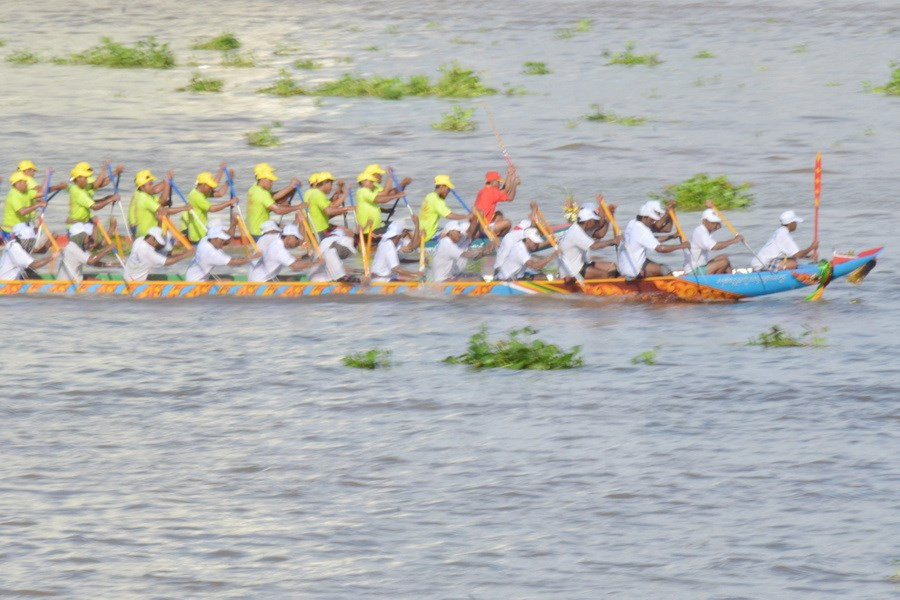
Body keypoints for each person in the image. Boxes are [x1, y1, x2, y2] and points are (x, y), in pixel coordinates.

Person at [618, 202, 690, 278]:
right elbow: (660, 249)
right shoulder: (643, 230)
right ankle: (673, 286)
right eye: (652, 220)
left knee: (658, 266)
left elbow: (665, 230)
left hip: (627, 264)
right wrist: (682, 246)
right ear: (645, 217)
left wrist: (672, 235)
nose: (654, 222)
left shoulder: (632, 223)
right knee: (665, 269)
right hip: (633, 269)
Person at [557, 203, 622, 279]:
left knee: (612, 267)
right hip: (572, 270)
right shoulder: (576, 232)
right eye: (595, 221)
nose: (596, 224)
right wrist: (613, 241)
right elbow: (594, 246)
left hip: (582, 264)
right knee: (606, 274)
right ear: (588, 222)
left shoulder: (584, 227)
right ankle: (609, 288)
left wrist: (609, 216)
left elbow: (600, 234)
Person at [179, 168, 237, 243]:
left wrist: (228, 180)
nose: (211, 189)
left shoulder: (202, 192)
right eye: (210, 186)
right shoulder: (196, 196)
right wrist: (229, 203)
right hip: (196, 233)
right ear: (202, 184)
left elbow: (220, 193)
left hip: (201, 229)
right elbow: (212, 209)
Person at [184, 222, 258, 281]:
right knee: (228, 281)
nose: (223, 242)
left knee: (226, 279)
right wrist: (253, 257)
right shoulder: (211, 253)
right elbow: (234, 264)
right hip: (195, 283)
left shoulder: (205, 240)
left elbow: (228, 240)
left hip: (191, 276)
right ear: (214, 238)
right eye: (222, 240)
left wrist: (234, 223)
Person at [127, 169, 190, 238]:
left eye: (152, 183)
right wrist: (184, 208)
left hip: (144, 229)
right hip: (141, 231)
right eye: (150, 184)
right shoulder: (144, 198)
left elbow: (161, 201)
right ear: (142, 187)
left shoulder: (143, 192)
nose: (152, 186)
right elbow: (163, 210)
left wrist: (167, 181)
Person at [246, 163, 303, 237]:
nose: (272, 183)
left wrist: (292, 188)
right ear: (263, 179)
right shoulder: (262, 193)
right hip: (260, 232)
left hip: (254, 229)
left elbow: (276, 197)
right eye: (270, 180)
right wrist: (298, 207)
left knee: (284, 227)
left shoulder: (254, 188)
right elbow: (278, 210)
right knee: (289, 233)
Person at [248, 224, 320, 282]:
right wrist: (317, 263)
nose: (297, 242)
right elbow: (295, 266)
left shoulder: (277, 244)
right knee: (291, 282)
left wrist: (306, 256)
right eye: (297, 239)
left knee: (290, 280)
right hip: (260, 282)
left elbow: (292, 260)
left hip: (262, 278)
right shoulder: (278, 249)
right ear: (289, 237)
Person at [751, 210, 818, 271]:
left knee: (792, 260)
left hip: (759, 262)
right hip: (762, 264)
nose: (796, 224)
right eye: (795, 222)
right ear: (790, 223)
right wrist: (812, 247)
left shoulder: (779, 231)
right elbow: (798, 255)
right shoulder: (784, 235)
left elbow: (793, 255)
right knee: (793, 264)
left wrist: (807, 257)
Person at [124, 226, 194, 282]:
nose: (160, 246)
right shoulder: (145, 250)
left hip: (130, 277)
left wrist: (181, 252)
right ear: (153, 238)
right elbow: (167, 262)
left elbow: (161, 253)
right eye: (159, 244)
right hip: (134, 282)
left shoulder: (140, 239)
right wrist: (185, 255)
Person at [684, 209, 743, 274]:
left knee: (723, 257)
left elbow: (716, 227)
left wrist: (718, 223)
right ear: (704, 221)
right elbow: (716, 246)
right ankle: (715, 281)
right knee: (724, 262)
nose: (715, 225)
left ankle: (732, 278)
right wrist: (734, 240)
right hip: (694, 271)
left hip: (701, 266)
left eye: (716, 222)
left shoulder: (705, 230)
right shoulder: (700, 233)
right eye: (712, 222)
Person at [495, 227, 559, 281]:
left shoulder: (523, 245)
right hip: (507, 279)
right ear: (528, 240)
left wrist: (549, 242)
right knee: (545, 278)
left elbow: (537, 247)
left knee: (542, 275)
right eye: (535, 242)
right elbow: (534, 266)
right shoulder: (520, 251)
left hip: (514, 276)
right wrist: (553, 255)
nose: (536, 244)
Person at [66, 163, 120, 228]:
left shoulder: (82, 185)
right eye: (85, 177)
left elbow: (95, 185)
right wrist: (110, 199)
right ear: (78, 178)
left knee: (94, 225)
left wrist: (106, 198)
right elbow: (94, 206)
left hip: (84, 221)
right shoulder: (78, 192)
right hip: (76, 226)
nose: (87, 180)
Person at [371, 217, 422, 282]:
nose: (407, 233)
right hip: (380, 279)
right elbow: (396, 269)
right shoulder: (388, 245)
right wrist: (416, 274)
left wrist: (417, 225)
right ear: (402, 232)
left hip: (388, 277)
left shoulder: (394, 241)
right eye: (406, 231)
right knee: (414, 279)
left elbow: (412, 246)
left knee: (413, 279)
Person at [419, 175, 468, 242]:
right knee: (459, 232)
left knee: (455, 228)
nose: (449, 191)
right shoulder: (436, 199)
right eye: (448, 189)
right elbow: (449, 215)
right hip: (430, 234)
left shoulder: (429, 196)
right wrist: (467, 216)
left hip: (426, 232)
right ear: (442, 187)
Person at [473, 168, 519, 238]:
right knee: (508, 222)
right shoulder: (492, 192)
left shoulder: (484, 190)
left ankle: (496, 234)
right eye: (498, 182)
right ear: (492, 182)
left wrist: (509, 174)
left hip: (477, 224)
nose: (500, 183)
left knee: (498, 214)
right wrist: (514, 184)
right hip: (482, 227)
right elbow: (510, 197)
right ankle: (501, 239)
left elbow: (504, 190)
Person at [2, 171, 47, 237]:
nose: (27, 184)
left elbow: (42, 193)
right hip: (11, 232)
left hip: (22, 228)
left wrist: (47, 176)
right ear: (17, 183)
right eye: (25, 182)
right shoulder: (13, 195)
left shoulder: (26, 192)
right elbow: (22, 212)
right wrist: (38, 205)